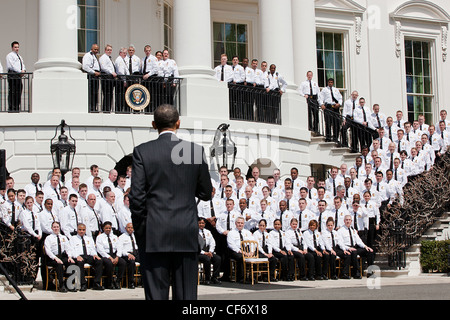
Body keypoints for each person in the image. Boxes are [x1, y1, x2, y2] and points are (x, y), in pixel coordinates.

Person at [129, 104, 213, 300]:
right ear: (178, 123)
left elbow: (137, 197)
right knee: (186, 297)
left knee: (156, 295)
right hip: (185, 230)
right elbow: (206, 192)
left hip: (155, 232)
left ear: (153, 124)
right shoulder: (193, 151)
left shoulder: (143, 151)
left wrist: (143, 230)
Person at [69, 223, 104, 291]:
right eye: (80, 230)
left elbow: (92, 249)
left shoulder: (89, 238)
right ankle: (83, 284)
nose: (82, 231)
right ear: (77, 230)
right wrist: (76, 256)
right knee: (79, 263)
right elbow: (71, 249)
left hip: (88, 256)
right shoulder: (73, 239)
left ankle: (96, 283)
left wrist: (95, 254)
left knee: (99, 261)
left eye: (83, 230)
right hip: (79, 256)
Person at [44, 221, 75, 292]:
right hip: (52, 258)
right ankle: (61, 285)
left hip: (62, 256)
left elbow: (68, 248)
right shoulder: (48, 238)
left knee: (72, 264)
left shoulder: (63, 237)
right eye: (54, 227)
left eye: (57, 227)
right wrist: (56, 258)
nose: (56, 228)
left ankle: (69, 284)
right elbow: (48, 251)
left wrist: (70, 257)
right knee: (59, 265)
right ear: (52, 228)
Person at [95, 221, 126, 290]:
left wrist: (117, 257)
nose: (108, 229)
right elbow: (100, 250)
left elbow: (119, 247)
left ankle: (118, 281)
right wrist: (110, 257)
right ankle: (109, 283)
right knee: (109, 264)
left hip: (114, 254)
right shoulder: (100, 237)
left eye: (109, 228)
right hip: (105, 255)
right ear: (103, 228)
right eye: (106, 228)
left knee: (123, 263)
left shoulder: (114, 237)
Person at [227, 216, 254, 283]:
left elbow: (252, 242)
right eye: (238, 223)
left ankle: (252, 277)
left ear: (244, 224)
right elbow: (231, 245)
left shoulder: (247, 232)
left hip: (246, 250)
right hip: (235, 251)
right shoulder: (231, 233)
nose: (240, 224)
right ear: (235, 223)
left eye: (241, 223)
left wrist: (252, 251)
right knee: (241, 257)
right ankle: (241, 278)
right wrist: (241, 252)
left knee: (255, 257)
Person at [197, 218, 221, 285]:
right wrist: (204, 253)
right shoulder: (195, 232)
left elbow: (212, 242)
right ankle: (207, 278)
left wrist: (210, 251)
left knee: (217, 259)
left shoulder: (207, 231)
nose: (201, 225)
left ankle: (215, 277)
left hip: (208, 251)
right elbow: (196, 245)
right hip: (199, 252)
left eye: (203, 223)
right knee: (207, 259)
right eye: (200, 223)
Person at [319, 78, 343, 143]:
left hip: (335, 107)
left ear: (333, 83)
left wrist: (339, 104)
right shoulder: (324, 90)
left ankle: (335, 138)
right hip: (328, 107)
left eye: (331, 82)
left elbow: (340, 98)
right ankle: (328, 137)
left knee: (336, 123)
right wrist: (321, 104)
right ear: (327, 83)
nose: (330, 83)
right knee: (328, 122)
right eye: (329, 82)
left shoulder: (336, 90)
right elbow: (320, 98)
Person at [117, 222, 140, 289]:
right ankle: (131, 282)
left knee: (145, 261)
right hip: (127, 254)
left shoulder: (135, 236)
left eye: (132, 228)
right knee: (131, 262)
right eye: (129, 227)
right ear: (125, 228)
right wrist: (128, 254)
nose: (130, 229)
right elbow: (120, 249)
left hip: (136, 253)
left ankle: (144, 281)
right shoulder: (122, 237)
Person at [6, 41, 26, 112]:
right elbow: (11, 66)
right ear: (12, 48)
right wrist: (20, 71)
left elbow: (22, 64)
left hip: (18, 75)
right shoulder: (9, 55)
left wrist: (23, 70)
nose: (17, 48)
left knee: (19, 90)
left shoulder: (19, 56)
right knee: (12, 91)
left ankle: (17, 107)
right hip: (12, 74)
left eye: (18, 47)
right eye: (15, 47)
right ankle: (11, 108)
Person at [99, 44, 118, 113]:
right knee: (106, 94)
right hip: (106, 77)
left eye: (110, 50)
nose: (109, 51)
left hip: (110, 78)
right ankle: (106, 110)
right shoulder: (103, 57)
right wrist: (111, 72)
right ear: (105, 50)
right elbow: (103, 67)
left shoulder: (110, 58)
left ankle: (108, 109)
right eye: (108, 50)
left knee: (110, 94)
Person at [82, 44, 101, 112]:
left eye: (97, 50)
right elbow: (85, 67)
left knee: (96, 92)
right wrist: (93, 72)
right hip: (92, 76)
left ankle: (94, 107)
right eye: (95, 49)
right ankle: (91, 108)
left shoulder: (94, 56)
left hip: (96, 76)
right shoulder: (87, 56)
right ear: (91, 49)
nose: (96, 51)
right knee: (92, 92)